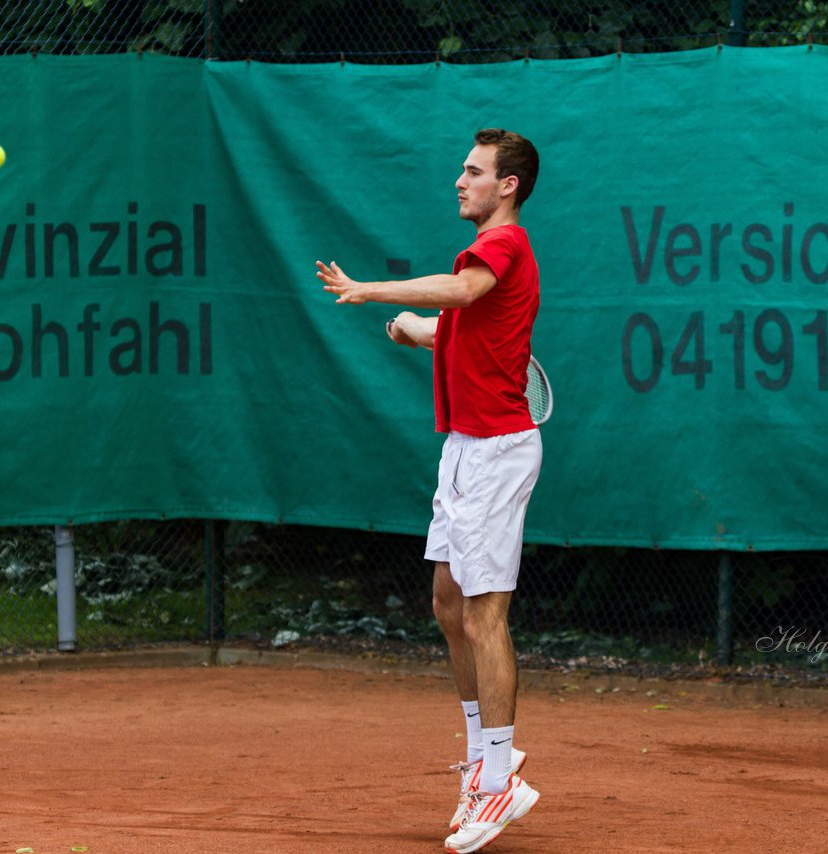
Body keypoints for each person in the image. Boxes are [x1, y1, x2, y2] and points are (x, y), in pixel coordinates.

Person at [316, 128, 542, 854]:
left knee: (485, 615)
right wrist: (411, 329)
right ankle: (483, 758)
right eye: (462, 169)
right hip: (463, 450)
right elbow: (458, 325)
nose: (460, 181)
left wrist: (369, 288)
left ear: (507, 186)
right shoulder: (483, 257)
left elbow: (462, 292)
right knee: (449, 604)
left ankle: (502, 775)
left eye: (473, 172)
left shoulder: (502, 248)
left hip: (498, 454)